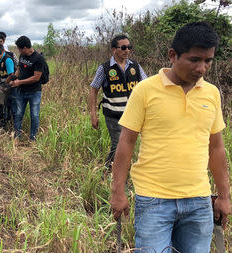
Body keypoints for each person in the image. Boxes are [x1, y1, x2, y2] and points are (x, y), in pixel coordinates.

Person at [110, 22, 230, 252]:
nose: (202, 68)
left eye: (208, 61)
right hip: (154, 200)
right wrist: (118, 191)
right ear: (173, 55)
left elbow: (216, 148)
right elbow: (126, 141)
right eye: (195, 60)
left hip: (199, 201)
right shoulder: (145, 90)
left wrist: (224, 196)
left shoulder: (212, 93)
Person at [88, 35, 147, 169]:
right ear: (114, 49)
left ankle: (118, 170)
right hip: (113, 115)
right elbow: (93, 90)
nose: (127, 50)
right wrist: (93, 114)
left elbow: (147, 86)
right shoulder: (105, 68)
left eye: (129, 47)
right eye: (124, 47)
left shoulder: (135, 67)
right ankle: (109, 171)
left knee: (129, 144)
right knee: (118, 144)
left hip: (133, 115)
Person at [10, 36, 45, 141]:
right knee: (18, 113)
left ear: (25, 48)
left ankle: (33, 138)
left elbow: (36, 77)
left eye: (20, 49)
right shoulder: (22, 56)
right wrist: (14, 78)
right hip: (21, 91)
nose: (19, 51)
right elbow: (19, 69)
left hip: (34, 92)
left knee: (34, 115)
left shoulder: (38, 59)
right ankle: (16, 137)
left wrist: (19, 82)